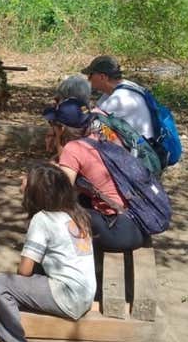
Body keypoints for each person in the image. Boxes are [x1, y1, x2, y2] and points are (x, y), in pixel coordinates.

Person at [0, 164, 96, 342]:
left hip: (68, 296)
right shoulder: (76, 213)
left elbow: (24, 271)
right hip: (85, 294)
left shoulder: (42, 219)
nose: (22, 180)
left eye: (26, 179)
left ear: (36, 191)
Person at [44, 98, 149, 252]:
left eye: (55, 126)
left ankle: (45, 267)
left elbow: (60, 193)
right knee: (79, 202)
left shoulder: (73, 148)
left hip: (119, 233)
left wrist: (50, 166)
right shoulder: (103, 134)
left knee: (57, 217)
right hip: (140, 222)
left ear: (62, 128)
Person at [82, 55, 154, 141]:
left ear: (102, 77)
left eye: (90, 75)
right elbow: (96, 112)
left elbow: (93, 125)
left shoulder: (118, 99)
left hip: (142, 150)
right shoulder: (128, 85)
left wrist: (80, 106)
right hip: (141, 143)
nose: (88, 79)